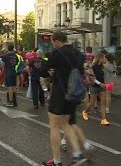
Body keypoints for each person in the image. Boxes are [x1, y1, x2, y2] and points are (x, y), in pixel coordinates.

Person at [42, 31, 86, 166]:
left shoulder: (58, 53)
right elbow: (81, 72)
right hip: (74, 93)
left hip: (60, 93)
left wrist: (51, 72)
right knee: (66, 123)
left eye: (52, 43)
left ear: (56, 41)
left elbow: (44, 70)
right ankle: (78, 154)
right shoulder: (78, 53)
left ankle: (56, 161)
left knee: (54, 125)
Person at [82, 52, 109, 125]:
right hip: (94, 86)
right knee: (92, 103)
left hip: (102, 87)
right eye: (103, 57)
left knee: (103, 103)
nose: (105, 59)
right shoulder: (93, 66)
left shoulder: (102, 66)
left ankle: (103, 119)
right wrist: (100, 83)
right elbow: (92, 77)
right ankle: (85, 112)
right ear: (100, 58)